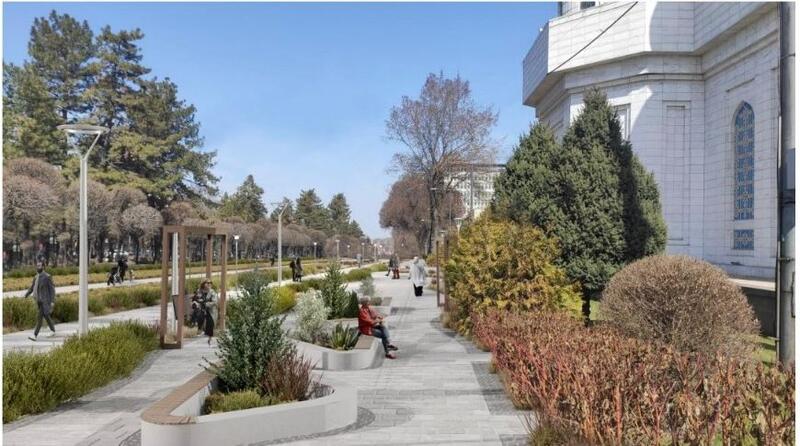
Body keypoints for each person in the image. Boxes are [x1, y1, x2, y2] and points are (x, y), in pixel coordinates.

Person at [25, 261, 57, 341]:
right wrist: (26, 294)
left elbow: (52, 290)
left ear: (43, 267)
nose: (37, 267)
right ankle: (53, 330)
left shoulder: (47, 277)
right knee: (46, 315)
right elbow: (32, 288)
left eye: (39, 266)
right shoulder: (36, 277)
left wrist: (52, 301)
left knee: (39, 317)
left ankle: (35, 335)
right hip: (38, 301)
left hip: (45, 301)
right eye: (37, 265)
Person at [192, 279, 218, 345]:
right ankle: (200, 330)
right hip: (201, 309)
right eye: (207, 283)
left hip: (210, 310)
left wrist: (206, 304)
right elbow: (195, 299)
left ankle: (210, 339)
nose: (209, 284)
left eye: (210, 283)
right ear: (203, 284)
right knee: (200, 316)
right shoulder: (199, 291)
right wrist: (197, 302)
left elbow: (215, 302)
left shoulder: (212, 292)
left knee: (210, 323)